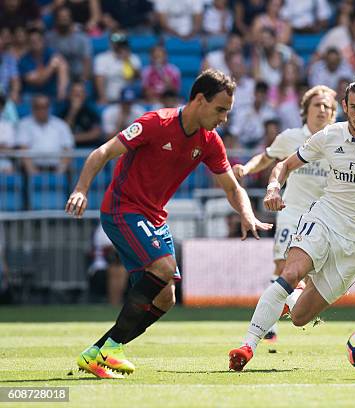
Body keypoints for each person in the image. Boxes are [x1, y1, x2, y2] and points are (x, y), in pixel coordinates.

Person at [65, 69, 272, 379]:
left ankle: (97, 352)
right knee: (163, 268)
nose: (224, 119)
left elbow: (232, 187)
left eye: (228, 112)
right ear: (199, 100)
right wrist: (81, 189)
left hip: (154, 217)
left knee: (166, 297)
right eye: (220, 110)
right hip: (123, 209)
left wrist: (246, 214)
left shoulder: (209, 141)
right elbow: (104, 152)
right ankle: (112, 348)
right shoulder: (155, 123)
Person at [228, 73, 355, 371]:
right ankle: (247, 345)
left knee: (300, 317)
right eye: (354, 107)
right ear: (344, 106)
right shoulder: (331, 136)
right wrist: (273, 187)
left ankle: (287, 300)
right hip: (324, 219)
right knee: (290, 272)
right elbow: (284, 164)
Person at [232, 85, 337, 341]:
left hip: (326, 218)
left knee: (310, 282)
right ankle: (267, 326)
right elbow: (267, 157)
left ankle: (287, 305)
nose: (322, 110)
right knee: (284, 266)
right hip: (293, 212)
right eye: (317, 105)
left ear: (334, 113)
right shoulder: (291, 137)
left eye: (328, 106)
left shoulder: (340, 141)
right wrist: (246, 169)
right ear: (305, 111)